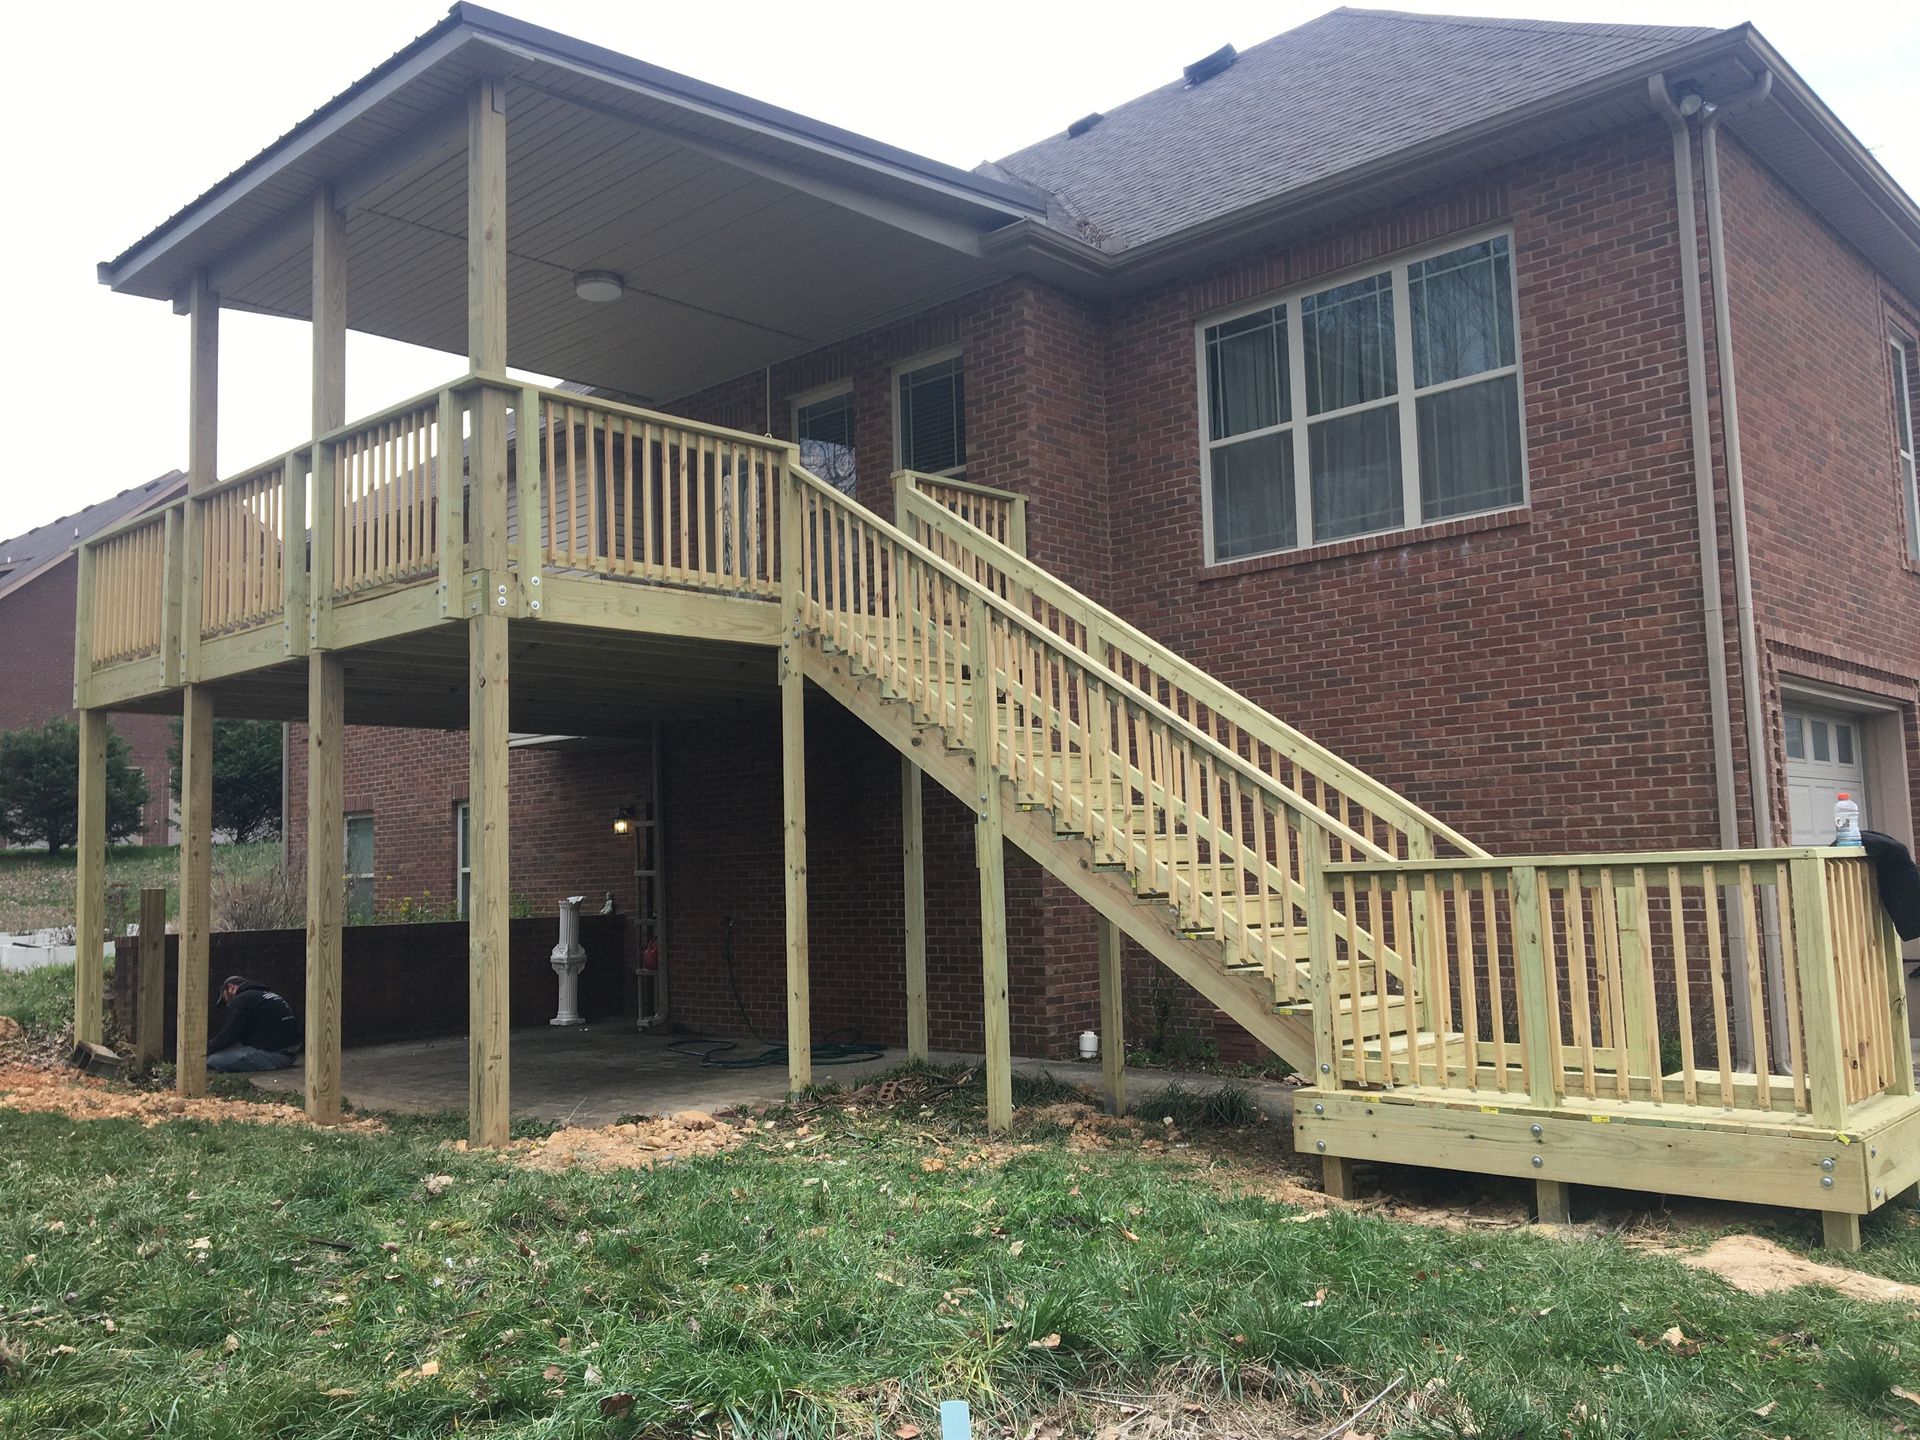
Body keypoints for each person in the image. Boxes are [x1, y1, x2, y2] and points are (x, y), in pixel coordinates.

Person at [206, 975, 303, 1073]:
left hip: (277, 1055)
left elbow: (229, 1034)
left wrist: (205, 1049)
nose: (227, 1004)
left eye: (225, 998)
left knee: (214, 1060)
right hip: (291, 1053)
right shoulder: (265, 996)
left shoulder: (242, 998)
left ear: (231, 987)